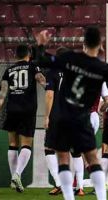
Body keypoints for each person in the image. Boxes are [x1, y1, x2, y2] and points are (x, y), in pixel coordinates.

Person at [34, 27, 108, 200]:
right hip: (83, 119)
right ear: (100, 45)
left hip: (62, 116)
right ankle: (101, 197)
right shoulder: (102, 68)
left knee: (63, 158)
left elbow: (43, 60)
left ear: (84, 42)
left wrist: (40, 45)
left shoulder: (69, 59)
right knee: (92, 158)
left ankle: (69, 197)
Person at [0, 44, 46, 193]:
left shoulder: (8, 70)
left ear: (16, 56)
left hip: (12, 109)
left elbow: (2, 93)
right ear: (28, 55)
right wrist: (51, 87)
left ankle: (13, 179)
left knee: (13, 144)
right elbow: (42, 81)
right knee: (26, 145)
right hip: (27, 110)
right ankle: (17, 174)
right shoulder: (33, 67)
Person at [73, 82, 108, 196]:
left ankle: (83, 186)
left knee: (79, 152)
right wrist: (101, 110)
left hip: (82, 117)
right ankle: (79, 185)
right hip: (94, 117)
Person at [44, 47, 70, 195]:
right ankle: (78, 185)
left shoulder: (52, 72)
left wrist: (47, 116)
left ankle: (59, 183)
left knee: (49, 148)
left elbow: (49, 95)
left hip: (57, 115)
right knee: (72, 152)